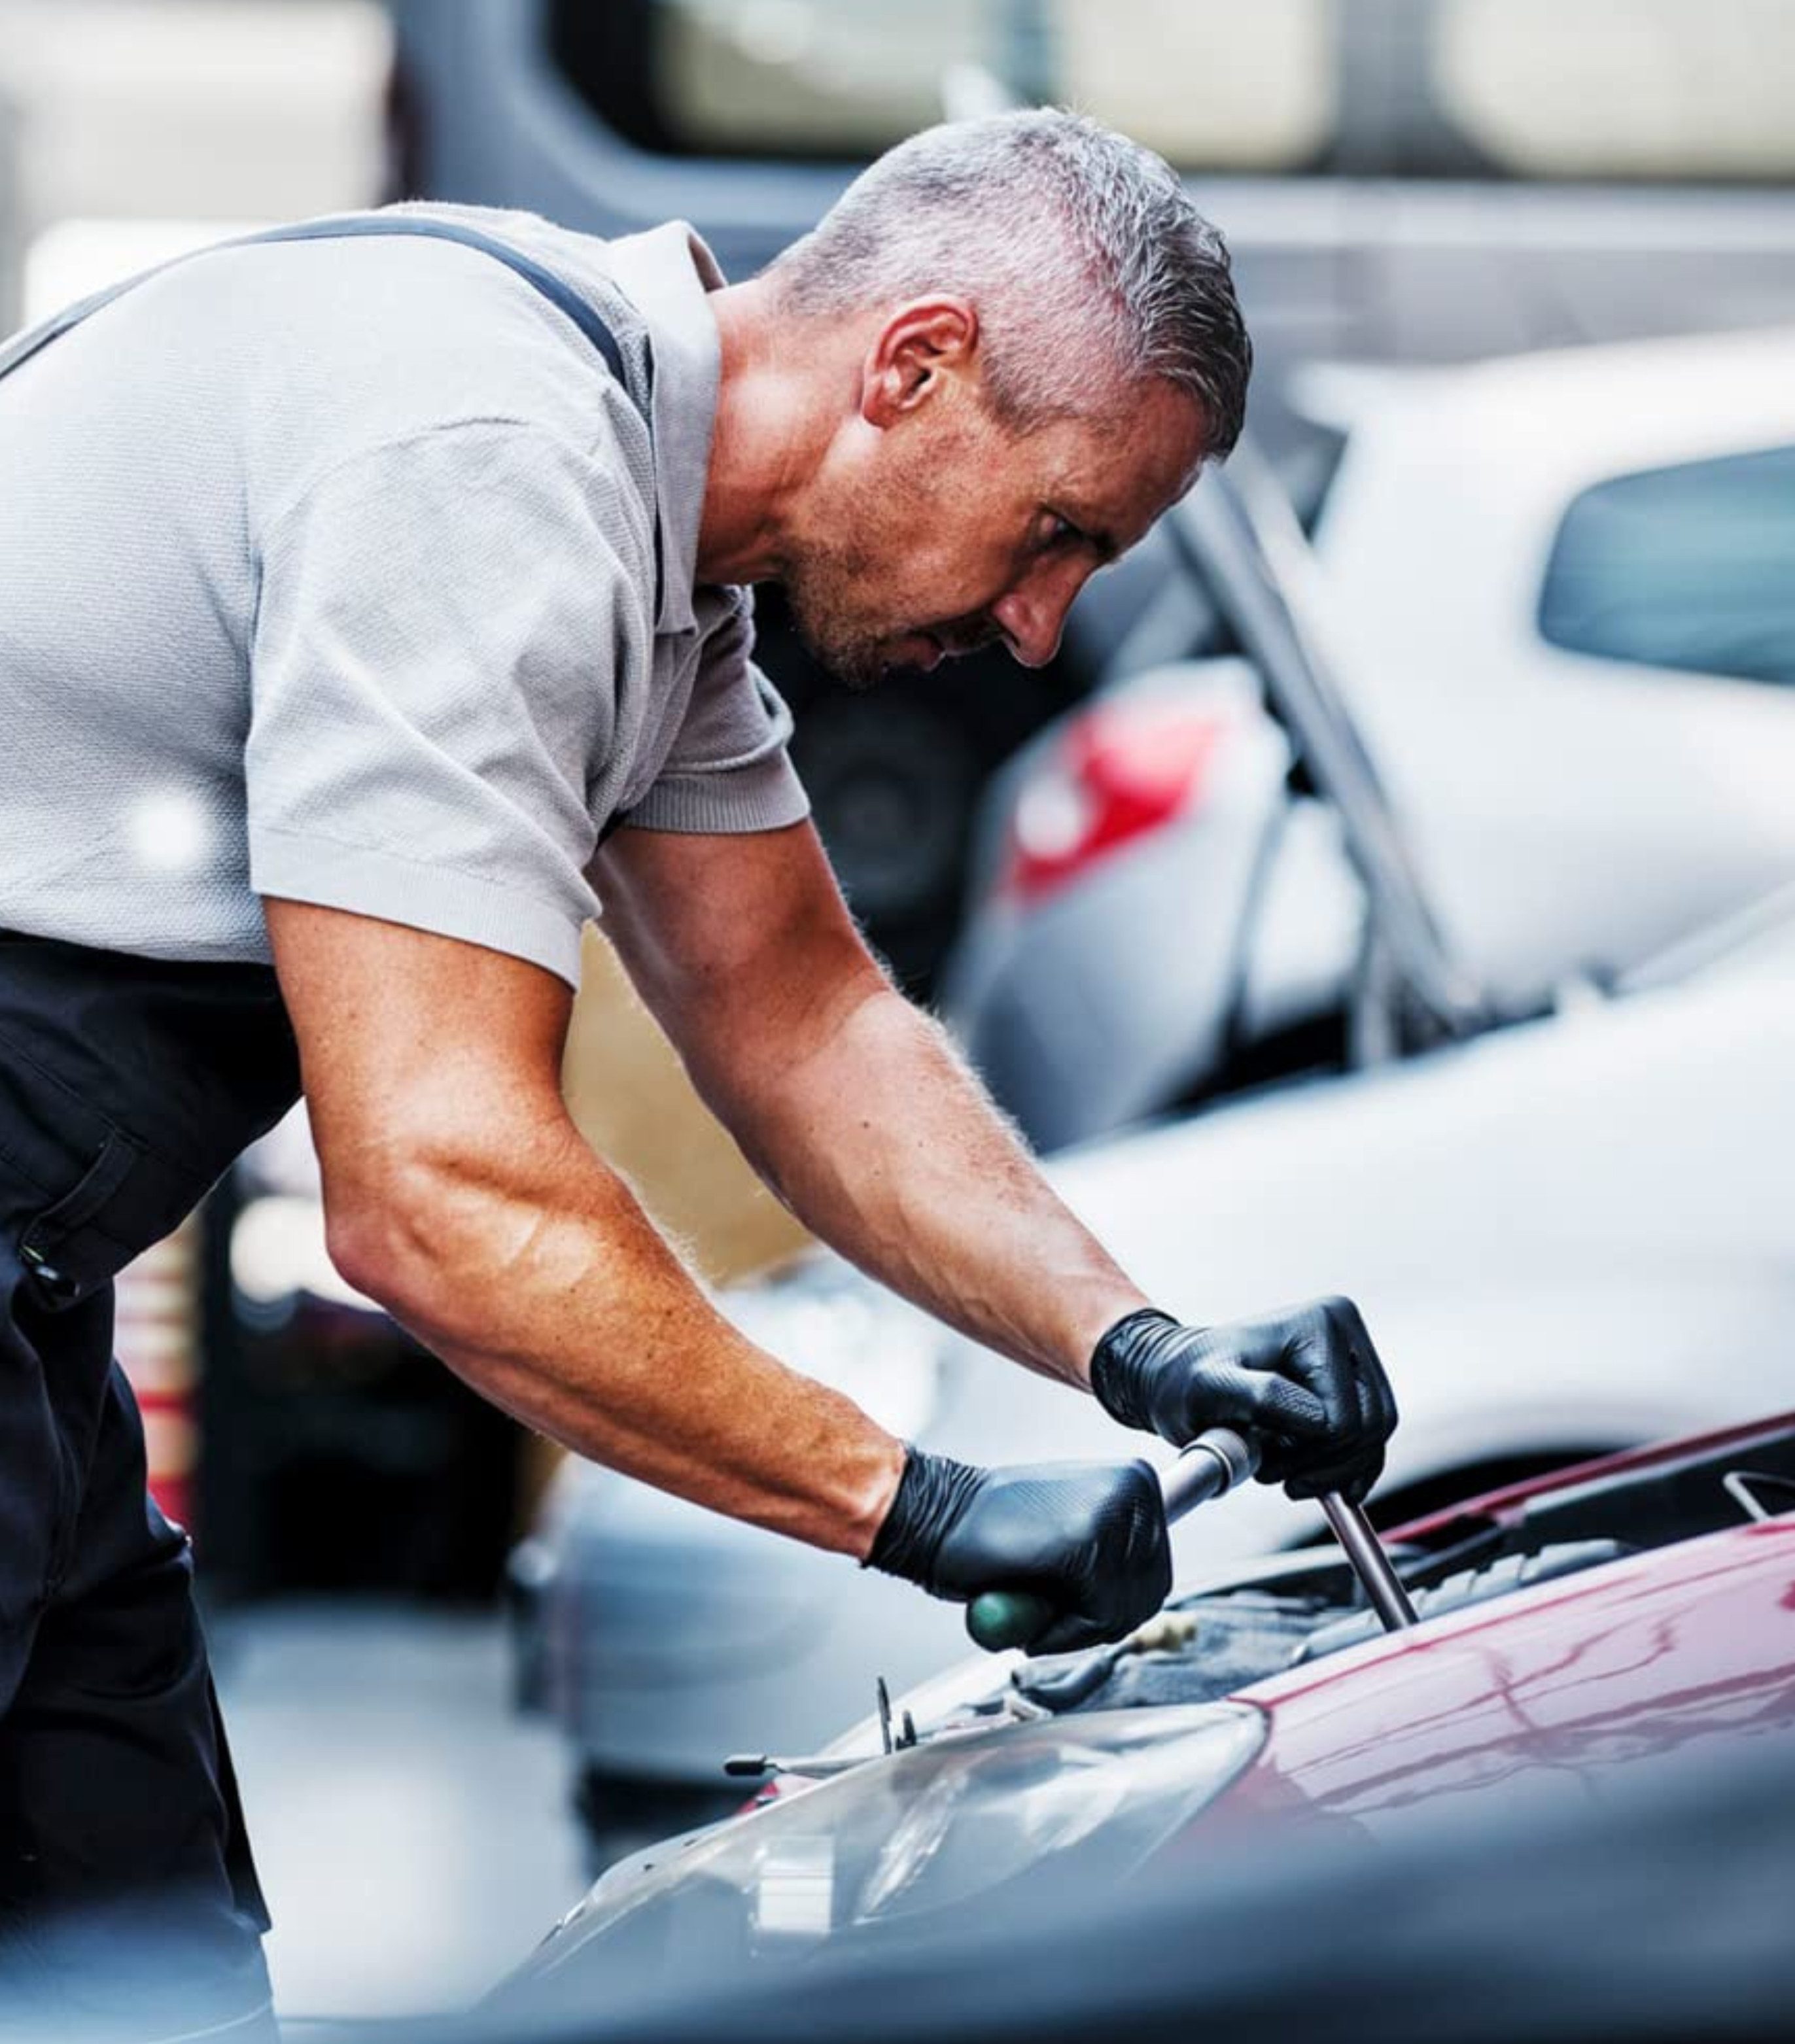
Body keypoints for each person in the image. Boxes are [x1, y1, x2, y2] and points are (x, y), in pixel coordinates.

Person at [0, 111, 1395, 2034]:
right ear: (917, 367)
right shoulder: (488, 463)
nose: (1039, 622)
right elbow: (439, 1197)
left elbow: (804, 1023)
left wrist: (1141, 1344)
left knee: (134, 1949)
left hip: (31, 1299)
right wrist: (922, 1505)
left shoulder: (643, 540)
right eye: (1058, 528)